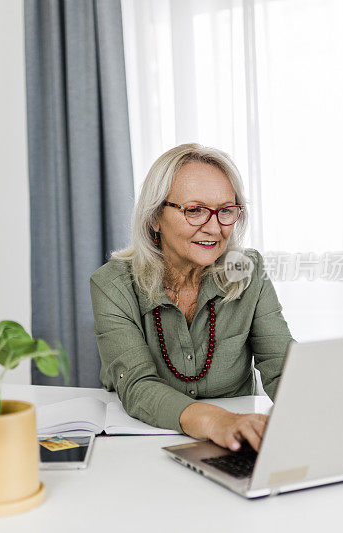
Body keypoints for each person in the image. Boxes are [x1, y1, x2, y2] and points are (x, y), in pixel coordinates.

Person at [90, 143, 295, 452]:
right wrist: (215, 421)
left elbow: (281, 366)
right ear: (154, 217)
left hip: (238, 441)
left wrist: (319, 414)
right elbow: (138, 386)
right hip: (141, 444)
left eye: (225, 211)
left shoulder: (247, 271)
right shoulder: (112, 285)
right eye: (195, 210)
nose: (214, 228)